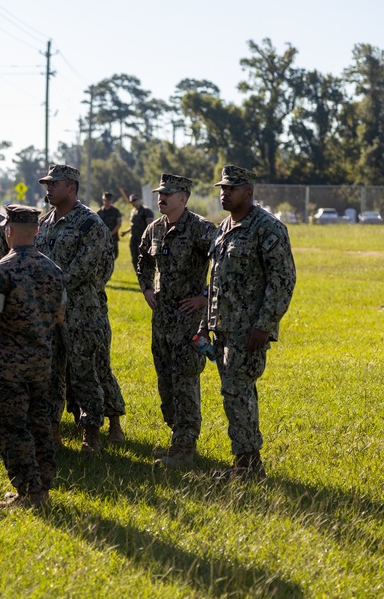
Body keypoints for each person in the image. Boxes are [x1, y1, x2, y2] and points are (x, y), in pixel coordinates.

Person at [199, 165, 296, 481]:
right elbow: (216, 281)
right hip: (223, 329)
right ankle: (248, 463)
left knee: (237, 392)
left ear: (248, 192)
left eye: (231, 189)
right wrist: (206, 323)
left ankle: (247, 466)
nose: (223, 194)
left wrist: (264, 325)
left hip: (248, 330)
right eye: (222, 189)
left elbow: (282, 280)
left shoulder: (267, 228)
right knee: (235, 393)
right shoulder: (224, 227)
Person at [0, 205, 66, 509]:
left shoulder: (1, 271)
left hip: (7, 364)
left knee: (12, 428)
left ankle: (28, 492)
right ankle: (42, 488)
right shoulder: (53, 269)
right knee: (39, 424)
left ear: (8, 231)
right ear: (36, 231)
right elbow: (60, 315)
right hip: (41, 362)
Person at [136, 174, 215, 468]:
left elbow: (225, 261)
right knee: (166, 381)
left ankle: (185, 447)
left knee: (184, 381)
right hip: (162, 321)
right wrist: (146, 287)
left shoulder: (201, 228)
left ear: (183, 198)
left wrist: (205, 296)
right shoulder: (154, 229)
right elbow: (143, 258)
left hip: (188, 320)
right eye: (159, 193)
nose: (161, 198)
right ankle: (176, 437)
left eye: (168, 193)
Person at [35, 163, 114, 452]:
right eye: (47, 183)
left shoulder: (90, 223)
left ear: (71, 187)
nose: (49, 188)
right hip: (47, 312)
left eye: (54, 184)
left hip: (81, 311)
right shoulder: (43, 223)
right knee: (50, 371)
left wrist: (47, 287)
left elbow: (85, 268)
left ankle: (91, 431)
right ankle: (53, 429)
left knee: (84, 371)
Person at [121, 193, 154, 267]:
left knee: (144, 259)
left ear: (139, 199)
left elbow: (150, 226)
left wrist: (149, 239)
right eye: (131, 201)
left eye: (134, 200)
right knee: (134, 259)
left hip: (142, 239)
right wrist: (126, 232)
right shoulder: (133, 211)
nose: (132, 202)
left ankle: (145, 276)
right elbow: (133, 225)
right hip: (133, 239)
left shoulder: (146, 211)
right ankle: (138, 275)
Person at [97, 191, 122, 260]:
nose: (108, 201)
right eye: (106, 200)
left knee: (114, 255)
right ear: (103, 200)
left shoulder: (116, 211)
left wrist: (111, 233)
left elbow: (119, 224)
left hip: (113, 238)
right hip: (102, 238)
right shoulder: (99, 212)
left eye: (109, 200)